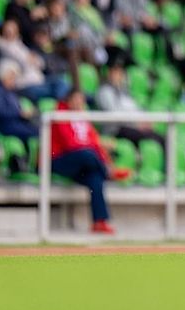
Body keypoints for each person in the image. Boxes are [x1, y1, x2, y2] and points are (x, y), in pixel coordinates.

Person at [50, 89, 131, 234]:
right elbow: (69, 144)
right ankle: (108, 172)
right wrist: (94, 146)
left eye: (82, 100)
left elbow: (95, 143)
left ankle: (99, 221)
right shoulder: (60, 115)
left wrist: (105, 157)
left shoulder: (82, 118)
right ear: (69, 100)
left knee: (96, 179)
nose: (80, 103)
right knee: (87, 154)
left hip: (81, 162)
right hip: (59, 160)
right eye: (77, 99)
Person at [95, 64, 165, 149]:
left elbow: (134, 109)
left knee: (160, 137)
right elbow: (114, 115)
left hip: (130, 127)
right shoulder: (104, 91)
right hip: (116, 130)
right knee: (151, 138)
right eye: (116, 72)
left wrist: (144, 120)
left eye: (120, 73)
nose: (118, 76)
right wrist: (136, 123)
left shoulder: (124, 92)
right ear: (109, 73)